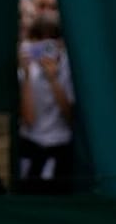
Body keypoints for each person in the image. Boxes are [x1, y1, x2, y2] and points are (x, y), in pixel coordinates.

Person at [15, 11, 75, 194]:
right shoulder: (27, 69)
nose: (45, 45)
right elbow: (29, 119)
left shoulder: (70, 68)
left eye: (52, 38)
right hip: (32, 147)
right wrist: (25, 76)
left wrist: (54, 80)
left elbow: (71, 116)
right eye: (39, 39)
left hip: (60, 148)